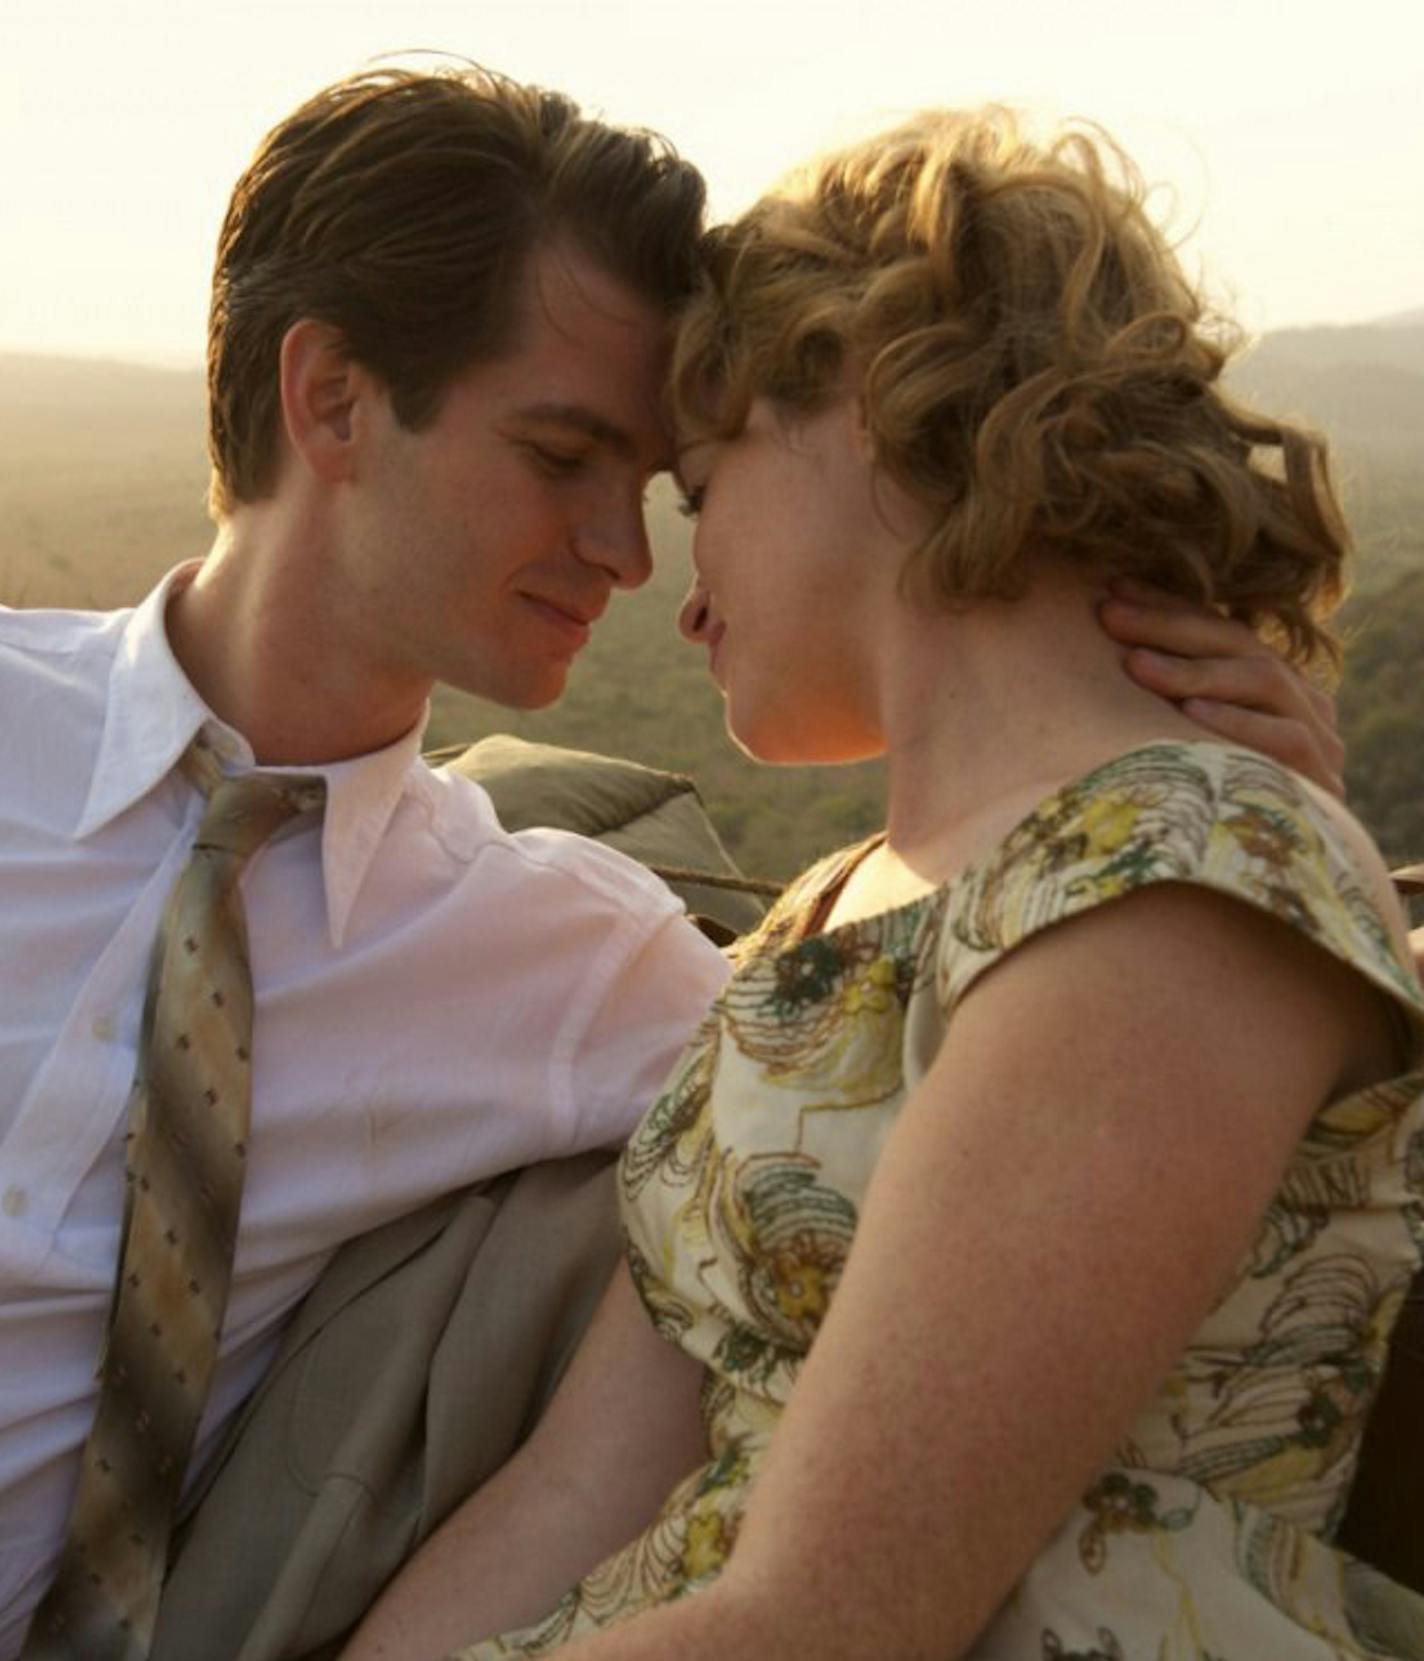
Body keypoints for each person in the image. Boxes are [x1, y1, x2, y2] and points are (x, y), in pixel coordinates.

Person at [0, 65, 1353, 1661]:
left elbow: (829, 1584)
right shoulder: (809, 934)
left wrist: (1271, 819)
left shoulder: (599, 962)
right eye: (564, 455)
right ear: (334, 398)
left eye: (673, 488)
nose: (645, 566)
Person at [344, 109, 1424, 1661]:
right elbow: (574, 1487)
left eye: (699, 486)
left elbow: (838, 1621)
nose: (678, 589)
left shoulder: (1178, 877)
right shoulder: (820, 915)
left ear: (863, 390)